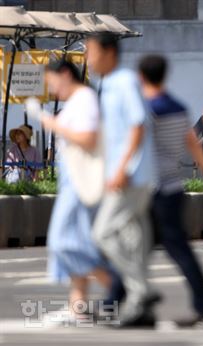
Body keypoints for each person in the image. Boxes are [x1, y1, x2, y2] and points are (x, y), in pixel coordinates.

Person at [86, 33, 160, 328]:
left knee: (102, 234)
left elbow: (138, 124)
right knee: (134, 240)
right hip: (130, 175)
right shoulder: (106, 85)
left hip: (131, 176)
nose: (88, 59)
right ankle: (140, 309)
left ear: (109, 52)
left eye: (91, 52)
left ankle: (142, 291)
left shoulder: (124, 81)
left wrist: (122, 168)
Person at [138, 55, 203, 328]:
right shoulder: (179, 107)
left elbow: (135, 147)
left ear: (141, 77)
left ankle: (126, 302)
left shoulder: (147, 110)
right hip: (174, 188)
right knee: (148, 249)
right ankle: (127, 300)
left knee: (144, 249)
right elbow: (194, 146)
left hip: (154, 190)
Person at [39, 59, 112, 324]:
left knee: (63, 241)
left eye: (52, 82)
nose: (52, 89)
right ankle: (78, 306)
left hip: (80, 182)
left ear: (66, 74)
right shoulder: (82, 100)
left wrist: (54, 125)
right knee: (78, 240)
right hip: (75, 180)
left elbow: (88, 137)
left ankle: (121, 289)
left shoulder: (84, 99)